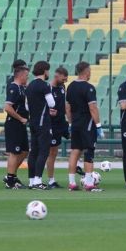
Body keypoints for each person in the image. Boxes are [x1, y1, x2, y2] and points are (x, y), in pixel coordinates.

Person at [66, 61, 104, 192]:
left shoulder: (70, 86)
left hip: (75, 123)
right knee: (89, 151)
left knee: (75, 151)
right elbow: (92, 108)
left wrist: (70, 123)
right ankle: (88, 183)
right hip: (87, 123)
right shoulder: (89, 88)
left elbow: (67, 107)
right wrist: (98, 126)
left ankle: (71, 183)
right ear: (87, 72)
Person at [24, 61, 55, 190]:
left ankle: (31, 181)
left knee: (33, 152)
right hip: (43, 123)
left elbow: (26, 106)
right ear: (45, 71)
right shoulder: (45, 85)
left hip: (33, 122)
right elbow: (52, 103)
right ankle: (38, 180)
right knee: (43, 151)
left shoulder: (29, 86)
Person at [3, 65, 29, 189]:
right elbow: (7, 107)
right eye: (26, 75)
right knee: (14, 152)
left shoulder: (21, 88)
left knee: (24, 151)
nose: (27, 78)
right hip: (14, 124)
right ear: (21, 75)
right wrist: (20, 118)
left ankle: (11, 175)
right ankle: (10, 180)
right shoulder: (13, 88)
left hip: (20, 124)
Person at [46, 66, 69, 189]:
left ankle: (78, 170)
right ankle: (51, 180)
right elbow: (41, 105)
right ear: (57, 76)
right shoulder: (48, 88)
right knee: (52, 152)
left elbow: (65, 104)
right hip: (52, 124)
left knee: (79, 144)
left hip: (62, 123)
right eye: (63, 79)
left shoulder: (62, 87)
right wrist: (48, 112)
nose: (65, 81)